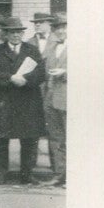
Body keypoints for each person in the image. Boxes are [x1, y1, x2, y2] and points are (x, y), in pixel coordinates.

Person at [0, 16, 46, 184]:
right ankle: (1, 173)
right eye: (12, 32)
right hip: (4, 101)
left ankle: (26, 174)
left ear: (22, 34)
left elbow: (41, 72)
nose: (15, 36)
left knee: (28, 139)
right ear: (5, 34)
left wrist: (25, 79)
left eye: (18, 32)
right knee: (1, 138)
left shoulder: (32, 50)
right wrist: (10, 78)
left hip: (27, 101)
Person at [40, 13, 67, 187]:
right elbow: (43, 69)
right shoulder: (51, 48)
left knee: (70, 137)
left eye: (64, 27)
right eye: (57, 28)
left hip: (69, 98)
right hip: (50, 98)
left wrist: (66, 72)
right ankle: (59, 174)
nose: (61, 31)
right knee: (55, 137)